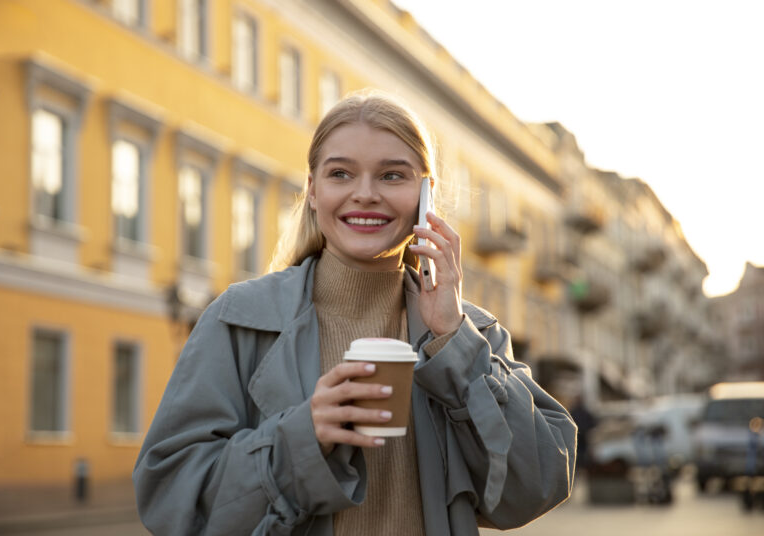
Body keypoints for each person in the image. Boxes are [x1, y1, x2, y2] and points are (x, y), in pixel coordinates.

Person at [133, 90, 577, 536]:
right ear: (312, 191)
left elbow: (535, 486)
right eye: (341, 173)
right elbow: (170, 497)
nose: (364, 195)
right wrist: (302, 439)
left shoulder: (473, 332)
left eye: (391, 176)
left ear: (427, 195)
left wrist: (454, 339)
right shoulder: (239, 318)